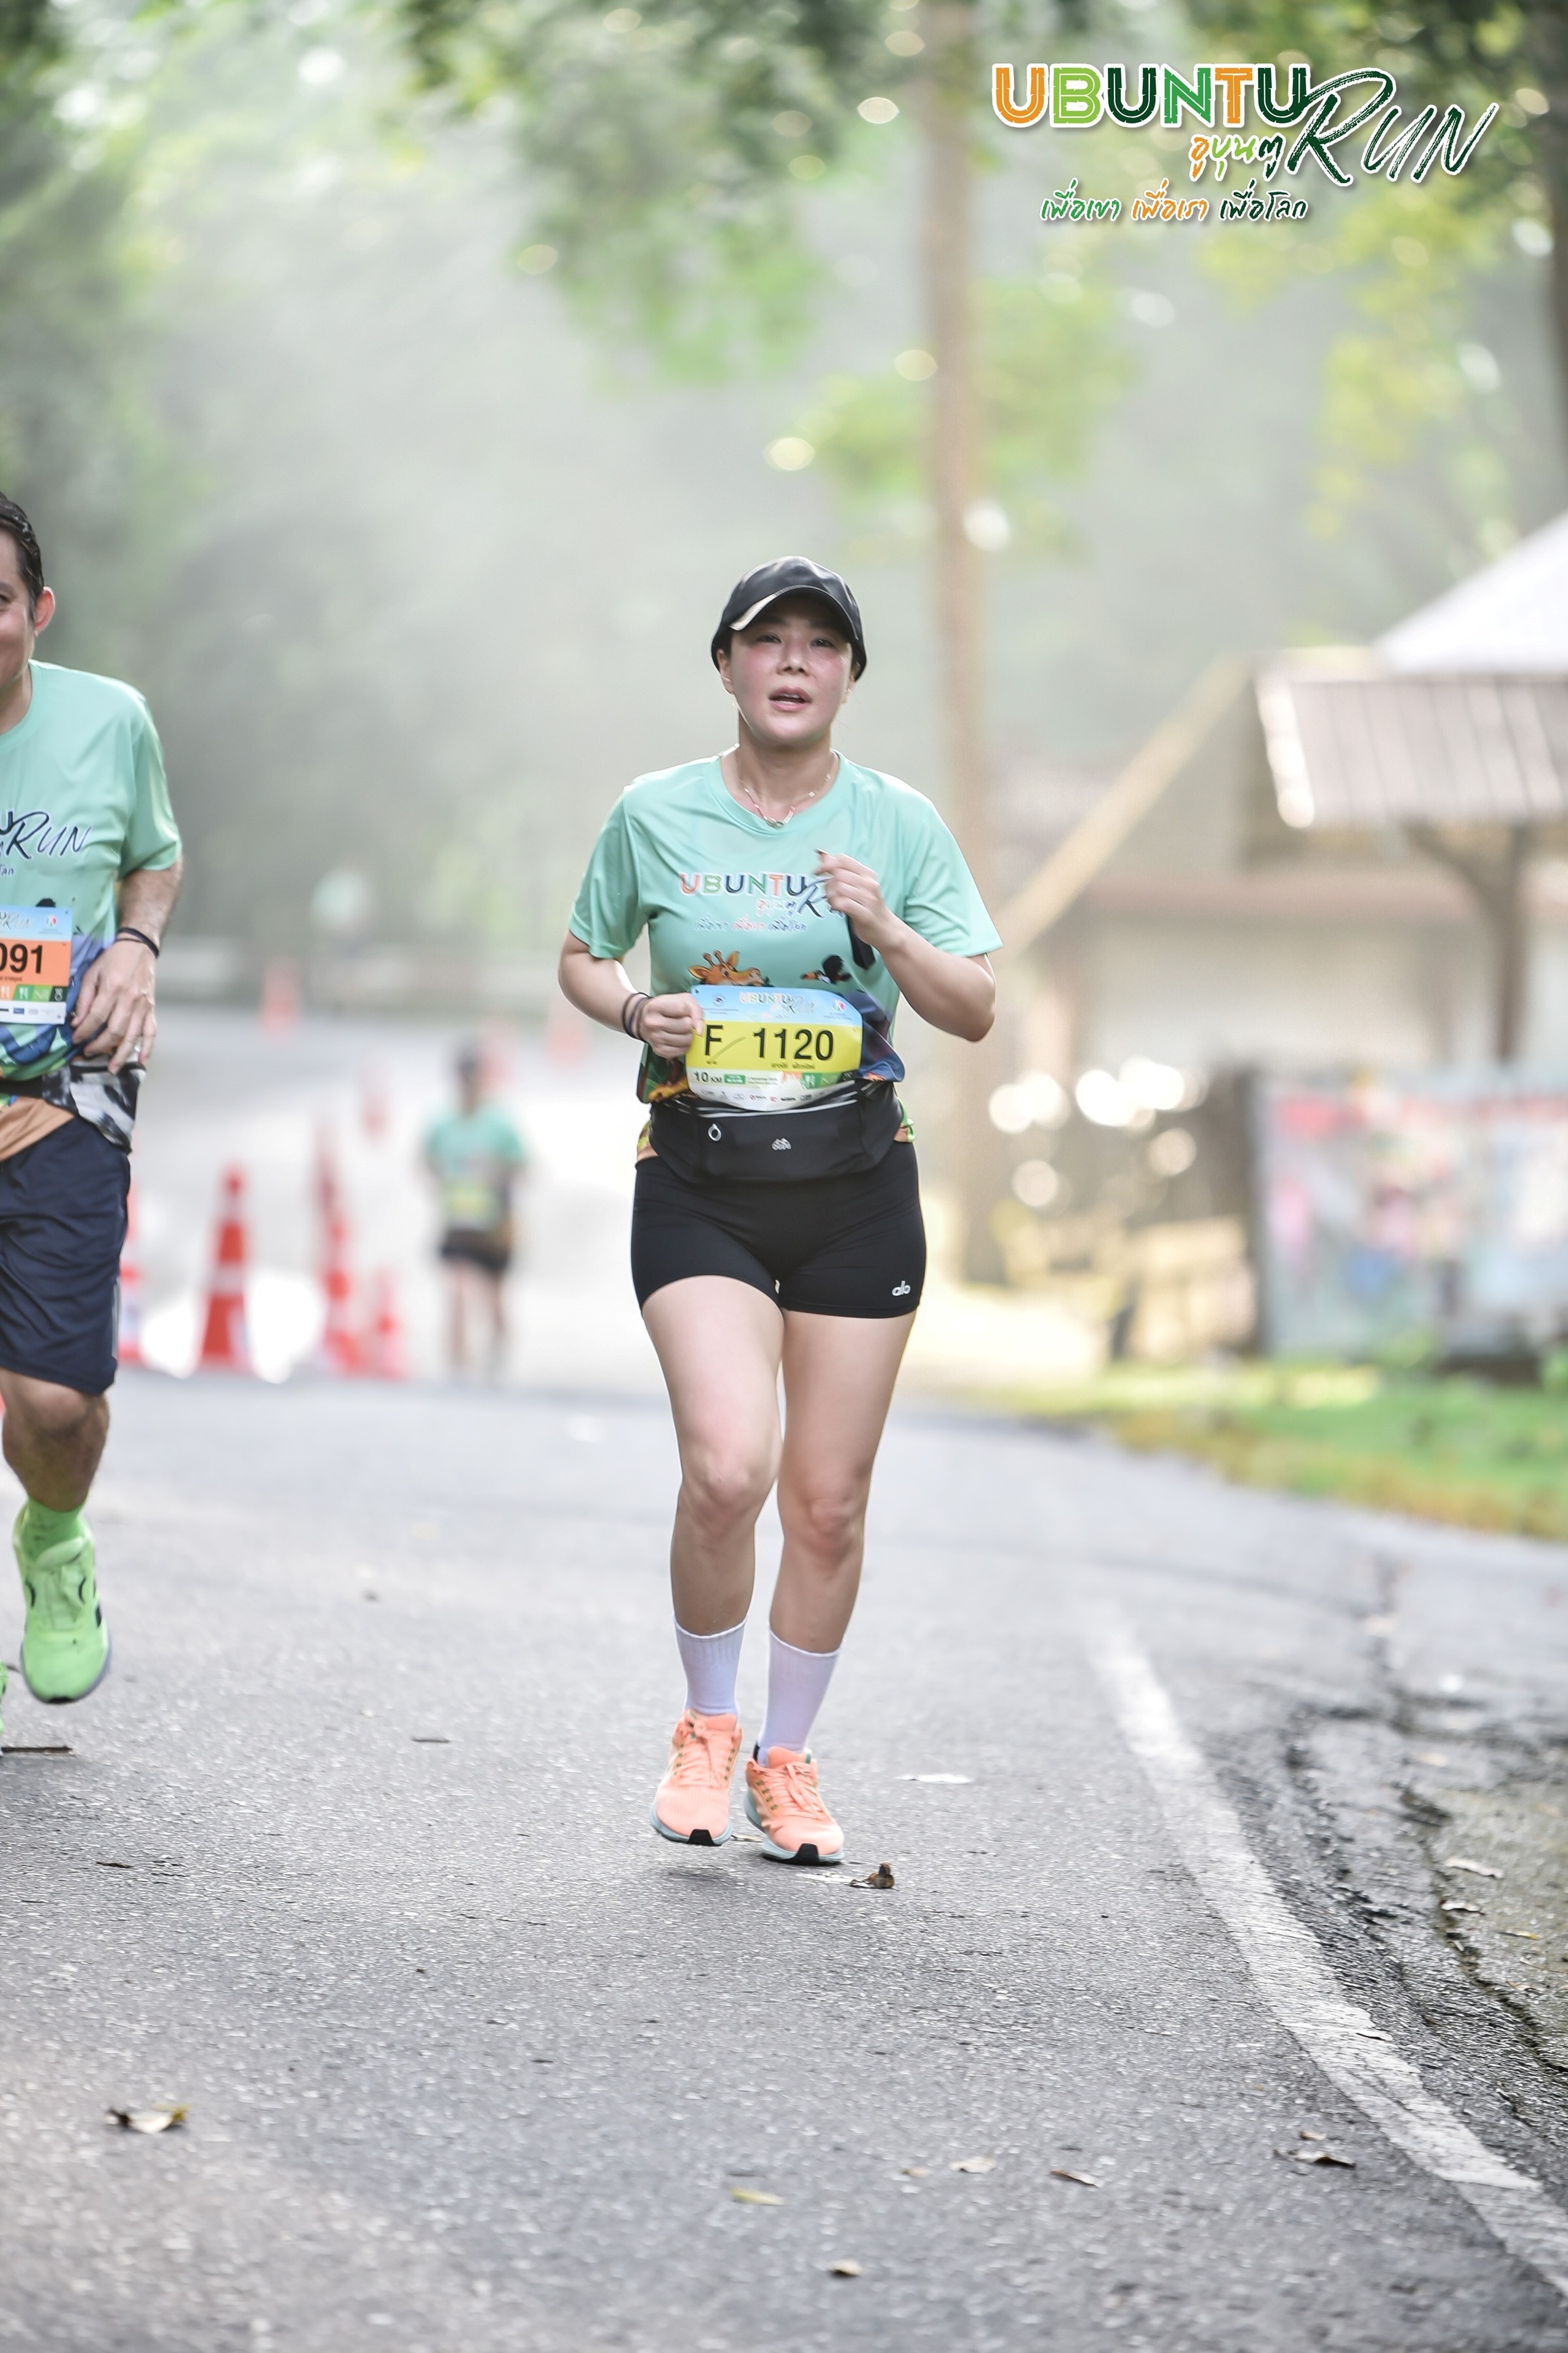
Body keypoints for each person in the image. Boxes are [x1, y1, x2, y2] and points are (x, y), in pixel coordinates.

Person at [559, 556, 998, 1863]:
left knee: (826, 1503)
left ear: (849, 675)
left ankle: (786, 1759)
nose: (794, 661)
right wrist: (635, 1007)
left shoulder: (897, 823)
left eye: (822, 643)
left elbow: (975, 1006)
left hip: (858, 1193)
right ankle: (707, 1727)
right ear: (728, 665)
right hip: (700, 1184)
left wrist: (890, 930)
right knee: (726, 1466)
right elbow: (581, 954)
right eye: (769, 640)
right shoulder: (655, 812)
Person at [0, 494, 183, 1744]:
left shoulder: (110, 719)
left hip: (70, 1087)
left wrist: (136, 942)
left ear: (38, 610)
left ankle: (55, 1538)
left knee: (54, 1404)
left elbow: (154, 855)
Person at [424, 1044, 528, 1379]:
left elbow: (523, 1167)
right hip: (457, 1225)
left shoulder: (500, 1125)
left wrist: (494, 1174)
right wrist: (445, 1185)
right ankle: (458, 1365)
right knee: (456, 1290)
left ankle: (497, 1356)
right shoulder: (443, 1124)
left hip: (494, 1224)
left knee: (494, 1297)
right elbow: (427, 1160)